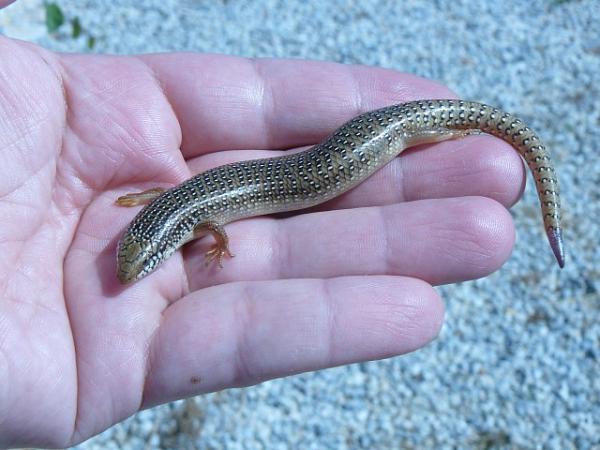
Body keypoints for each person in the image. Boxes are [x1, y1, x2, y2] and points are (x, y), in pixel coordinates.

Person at [0, 21, 523, 448]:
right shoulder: (170, 214)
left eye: (140, 260)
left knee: (412, 134)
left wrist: (221, 243)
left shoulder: (184, 220)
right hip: (315, 161)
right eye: (135, 263)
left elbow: (204, 222)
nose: (130, 273)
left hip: (367, 143)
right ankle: (454, 127)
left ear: (159, 242)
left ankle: (457, 128)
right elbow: (180, 212)